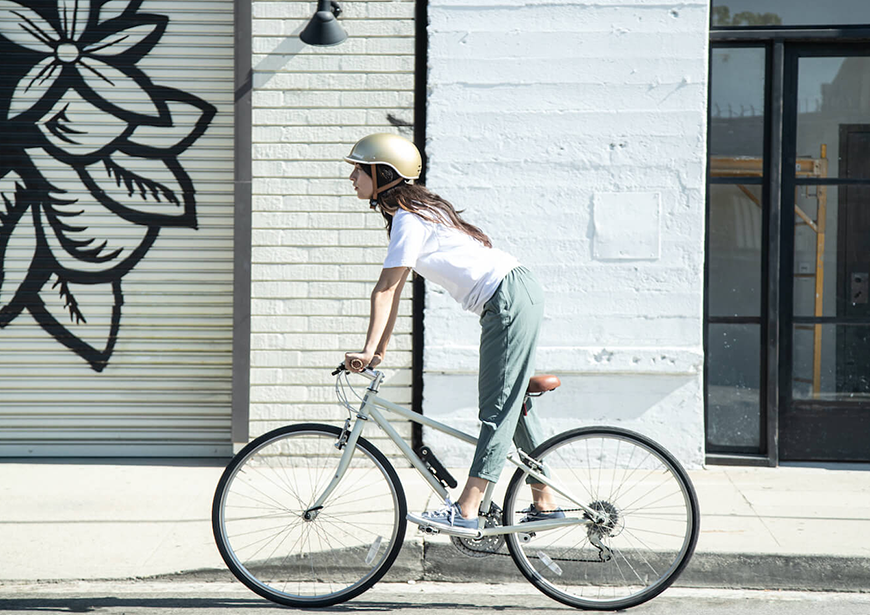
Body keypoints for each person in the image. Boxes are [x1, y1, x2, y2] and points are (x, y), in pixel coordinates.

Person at [342, 133, 562, 531]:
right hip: (511, 294)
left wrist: (368, 348)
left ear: (383, 173)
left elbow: (386, 288)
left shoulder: (409, 218)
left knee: (496, 409)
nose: (352, 176)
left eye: (359, 168)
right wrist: (377, 350)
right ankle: (544, 499)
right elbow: (396, 290)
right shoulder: (413, 215)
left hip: (507, 297)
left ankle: (467, 508)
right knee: (509, 402)